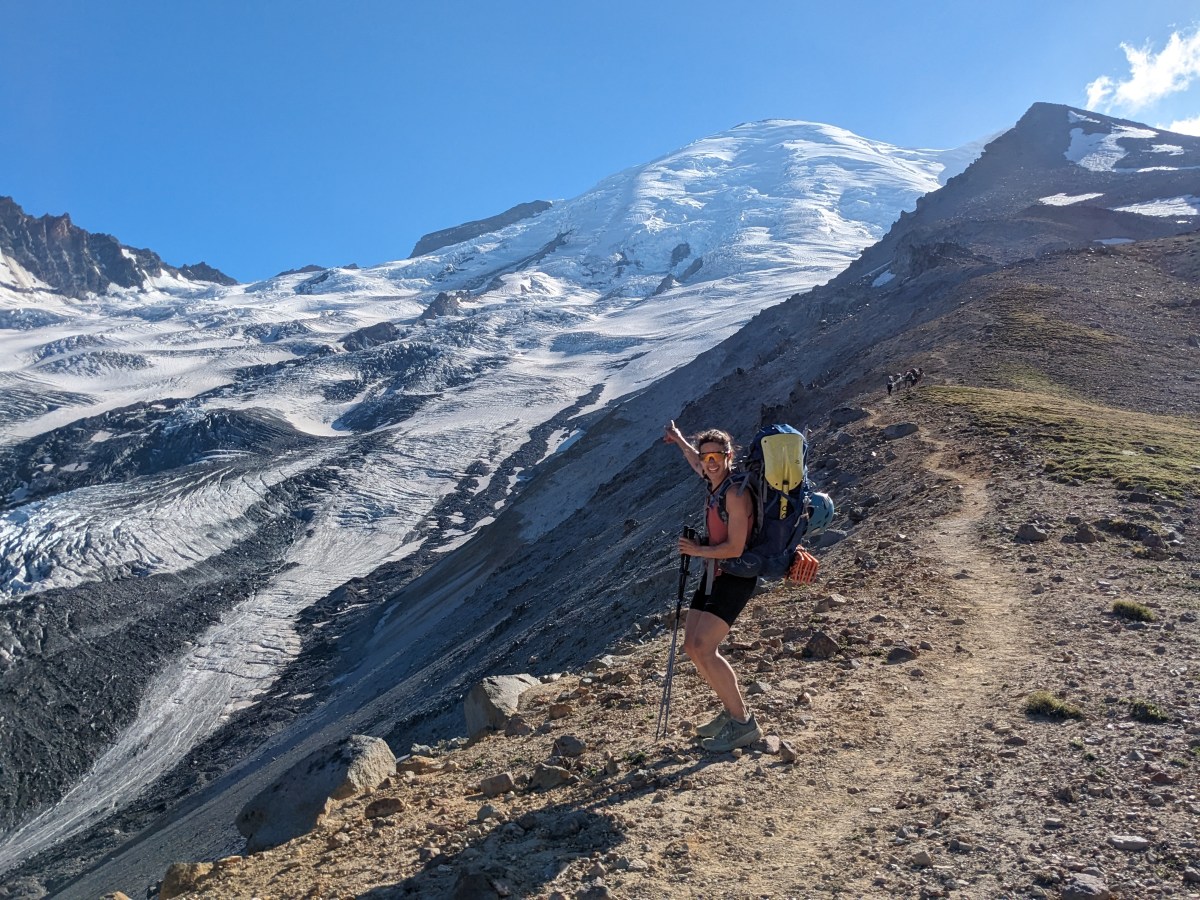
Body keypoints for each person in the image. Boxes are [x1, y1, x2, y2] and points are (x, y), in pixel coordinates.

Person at [663, 420, 763, 752]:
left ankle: (743, 725)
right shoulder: (713, 481)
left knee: (705, 647)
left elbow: (735, 547)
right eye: (706, 458)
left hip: (735, 576)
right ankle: (731, 709)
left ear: (728, 456)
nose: (708, 462)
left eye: (715, 457)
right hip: (714, 573)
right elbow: (694, 459)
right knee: (693, 646)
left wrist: (698, 550)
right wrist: (679, 439)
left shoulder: (735, 495)